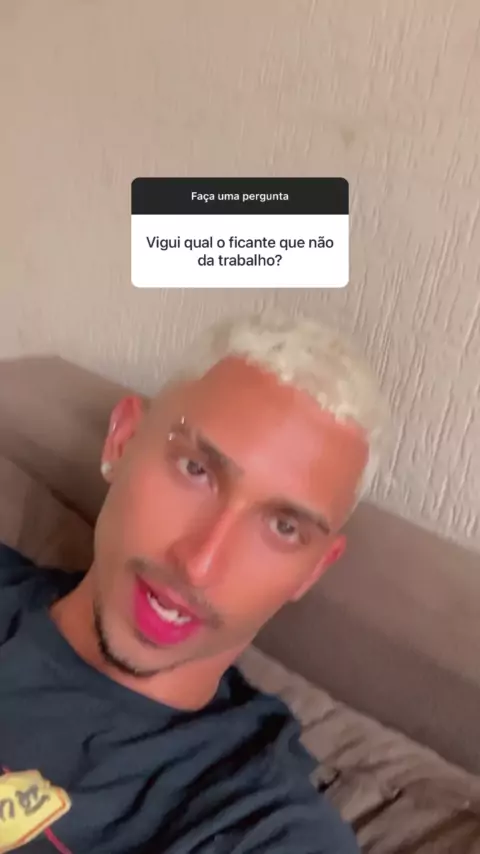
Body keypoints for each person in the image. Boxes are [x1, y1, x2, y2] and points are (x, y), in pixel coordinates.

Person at [0, 311, 388, 853]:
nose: (199, 564)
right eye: (196, 470)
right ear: (122, 440)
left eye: (283, 527)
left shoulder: (264, 826)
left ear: (313, 570)